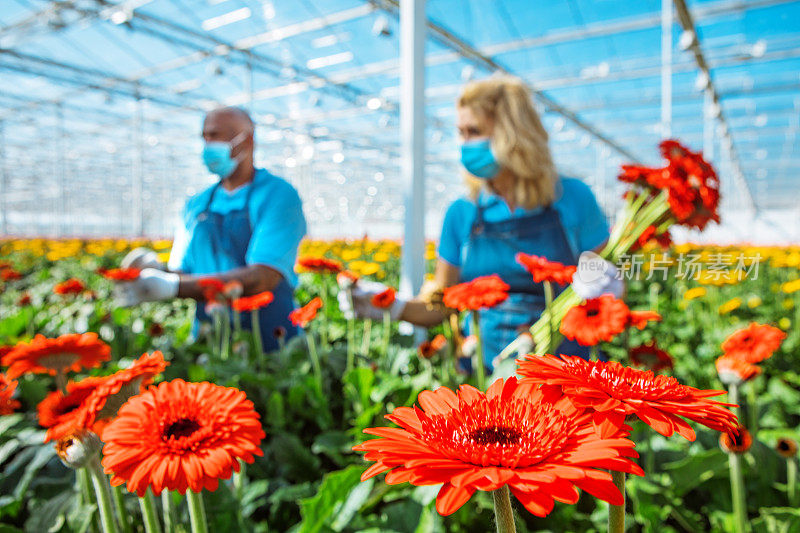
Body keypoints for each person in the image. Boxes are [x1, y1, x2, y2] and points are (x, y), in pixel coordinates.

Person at [341, 76, 621, 371]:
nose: (464, 144)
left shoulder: (572, 198)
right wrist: (390, 305)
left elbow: (611, 282)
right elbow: (442, 302)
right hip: (485, 375)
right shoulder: (461, 213)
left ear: (512, 133)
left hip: (567, 369)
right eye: (460, 133)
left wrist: (610, 289)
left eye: (473, 132)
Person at [116, 106, 307, 351]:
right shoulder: (196, 205)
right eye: (204, 137)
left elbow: (264, 277)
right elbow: (181, 270)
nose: (208, 145)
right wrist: (155, 270)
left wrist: (172, 287)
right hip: (210, 339)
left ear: (246, 141)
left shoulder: (278, 195)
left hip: (270, 339)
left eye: (215, 136)